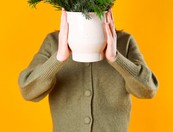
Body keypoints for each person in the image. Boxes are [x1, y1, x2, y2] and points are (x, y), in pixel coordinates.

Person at [18, 9, 158, 132]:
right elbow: (28, 90)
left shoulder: (124, 41)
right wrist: (59, 58)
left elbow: (148, 89)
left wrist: (116, 58)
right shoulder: (54, 42)